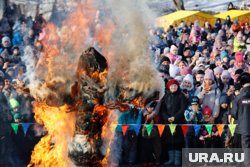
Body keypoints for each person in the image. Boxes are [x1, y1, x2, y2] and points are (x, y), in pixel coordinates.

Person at [230, 72, 250, 167]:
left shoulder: (238, 98)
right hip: (244, 127)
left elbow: (234, 114)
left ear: (241, 84)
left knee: (246, 149)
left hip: (244, 128)